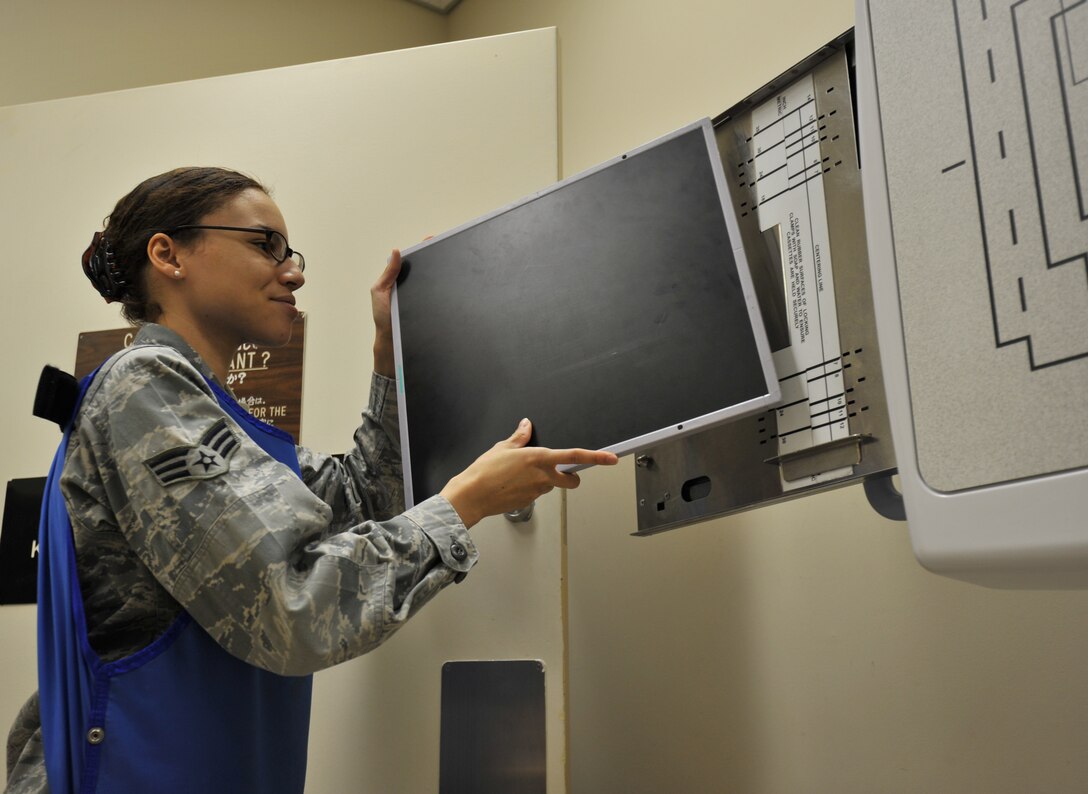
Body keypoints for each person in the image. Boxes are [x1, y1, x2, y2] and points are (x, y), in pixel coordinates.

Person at [4, 166, 618, 793]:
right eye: (263, 244)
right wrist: (465, 505)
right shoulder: (144, 384)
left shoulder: (216, 419)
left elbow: (363, 496)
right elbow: (289, 609)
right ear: (168, 255)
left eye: (289, 252)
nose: (293, 273)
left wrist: (391, 355)